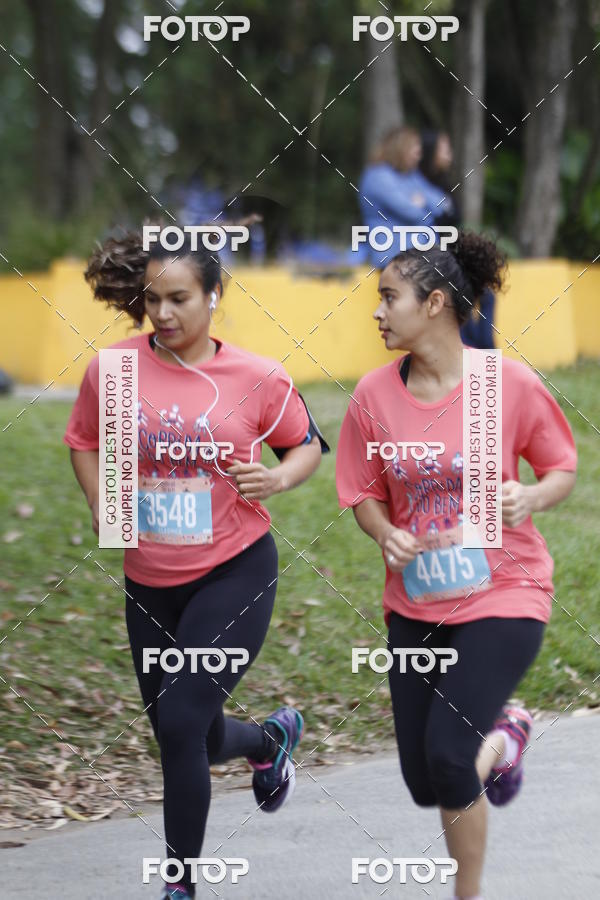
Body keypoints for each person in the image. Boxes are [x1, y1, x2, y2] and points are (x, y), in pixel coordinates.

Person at [64, 230, 327, 899]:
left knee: (180, 723)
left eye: (179, 298)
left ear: (214, 294)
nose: (164, 313)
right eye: (152, 299)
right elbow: (83, 442)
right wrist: (99, 498)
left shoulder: (258, 376)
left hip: (235, 570)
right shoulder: (114, 370)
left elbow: (306, 445)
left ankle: (179, 887)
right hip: (150, 582)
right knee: (192, 738)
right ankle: (269, 739)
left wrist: (279, 480)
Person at [335, 230, 576, 900]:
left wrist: (530, 494)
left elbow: (561, 467)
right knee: (425, 780)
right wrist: (385, 533)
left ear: (436, 302)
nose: (377, 311)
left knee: (448, 756)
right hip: (415, 602)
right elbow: (362, 492)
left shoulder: (511, 383)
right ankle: (507, 735)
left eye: (390, 297)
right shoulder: (373, 396)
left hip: (506, 591)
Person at [420, 129, 495, 350]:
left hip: (452, 254)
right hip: (435, 257)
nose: (449, 154)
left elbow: (453, 216)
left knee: (485, 296)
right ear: (431, 151)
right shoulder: (420, 183)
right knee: (462, 299)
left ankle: (485, 353)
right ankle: (481, 355)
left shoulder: (442, 183)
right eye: (444, 149)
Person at [358, 126, 454, 268]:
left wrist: (422, 201)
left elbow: (445, 205)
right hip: (392, 256)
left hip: (420, 255)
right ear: (400, 149)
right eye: (415, 150)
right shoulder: (377, 176)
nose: (419, 156)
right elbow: (414, 213)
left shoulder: (411, 176)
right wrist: (425, 206)